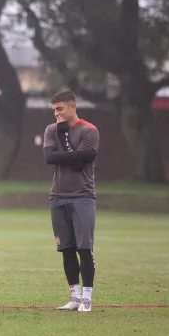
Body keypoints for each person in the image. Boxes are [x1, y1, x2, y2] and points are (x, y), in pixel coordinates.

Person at [43, 90, 100, 312]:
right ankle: (74, 296)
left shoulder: (89, 131)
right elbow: (49, 158)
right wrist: (70, 150)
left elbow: (79, 163)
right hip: (57, 197)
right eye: (54, 110)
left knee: (84, 248)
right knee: (66, 248)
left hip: (82, 197)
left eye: (60, 109)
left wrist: (64, 136)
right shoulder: (50, 130)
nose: (56, 114)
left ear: (72, 107)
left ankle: (87, 298)